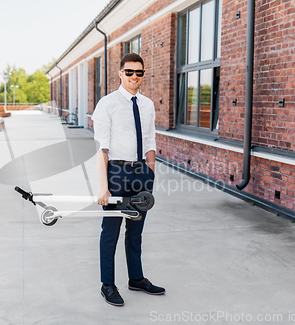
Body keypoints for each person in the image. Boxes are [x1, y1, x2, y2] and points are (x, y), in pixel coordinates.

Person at [92, 53, 165, 307]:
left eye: (139, 73)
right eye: (130, 72)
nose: (135, 77)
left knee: (136, 231)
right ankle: (107, 285)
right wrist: (104, 186)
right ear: (120, 74)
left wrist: (150, 173)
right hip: (116, 173)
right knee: (110, 233)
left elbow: (150, 141)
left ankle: (136, 279)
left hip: (141, 174)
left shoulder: (147, 104)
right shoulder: (107, 104)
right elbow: (102, 148)